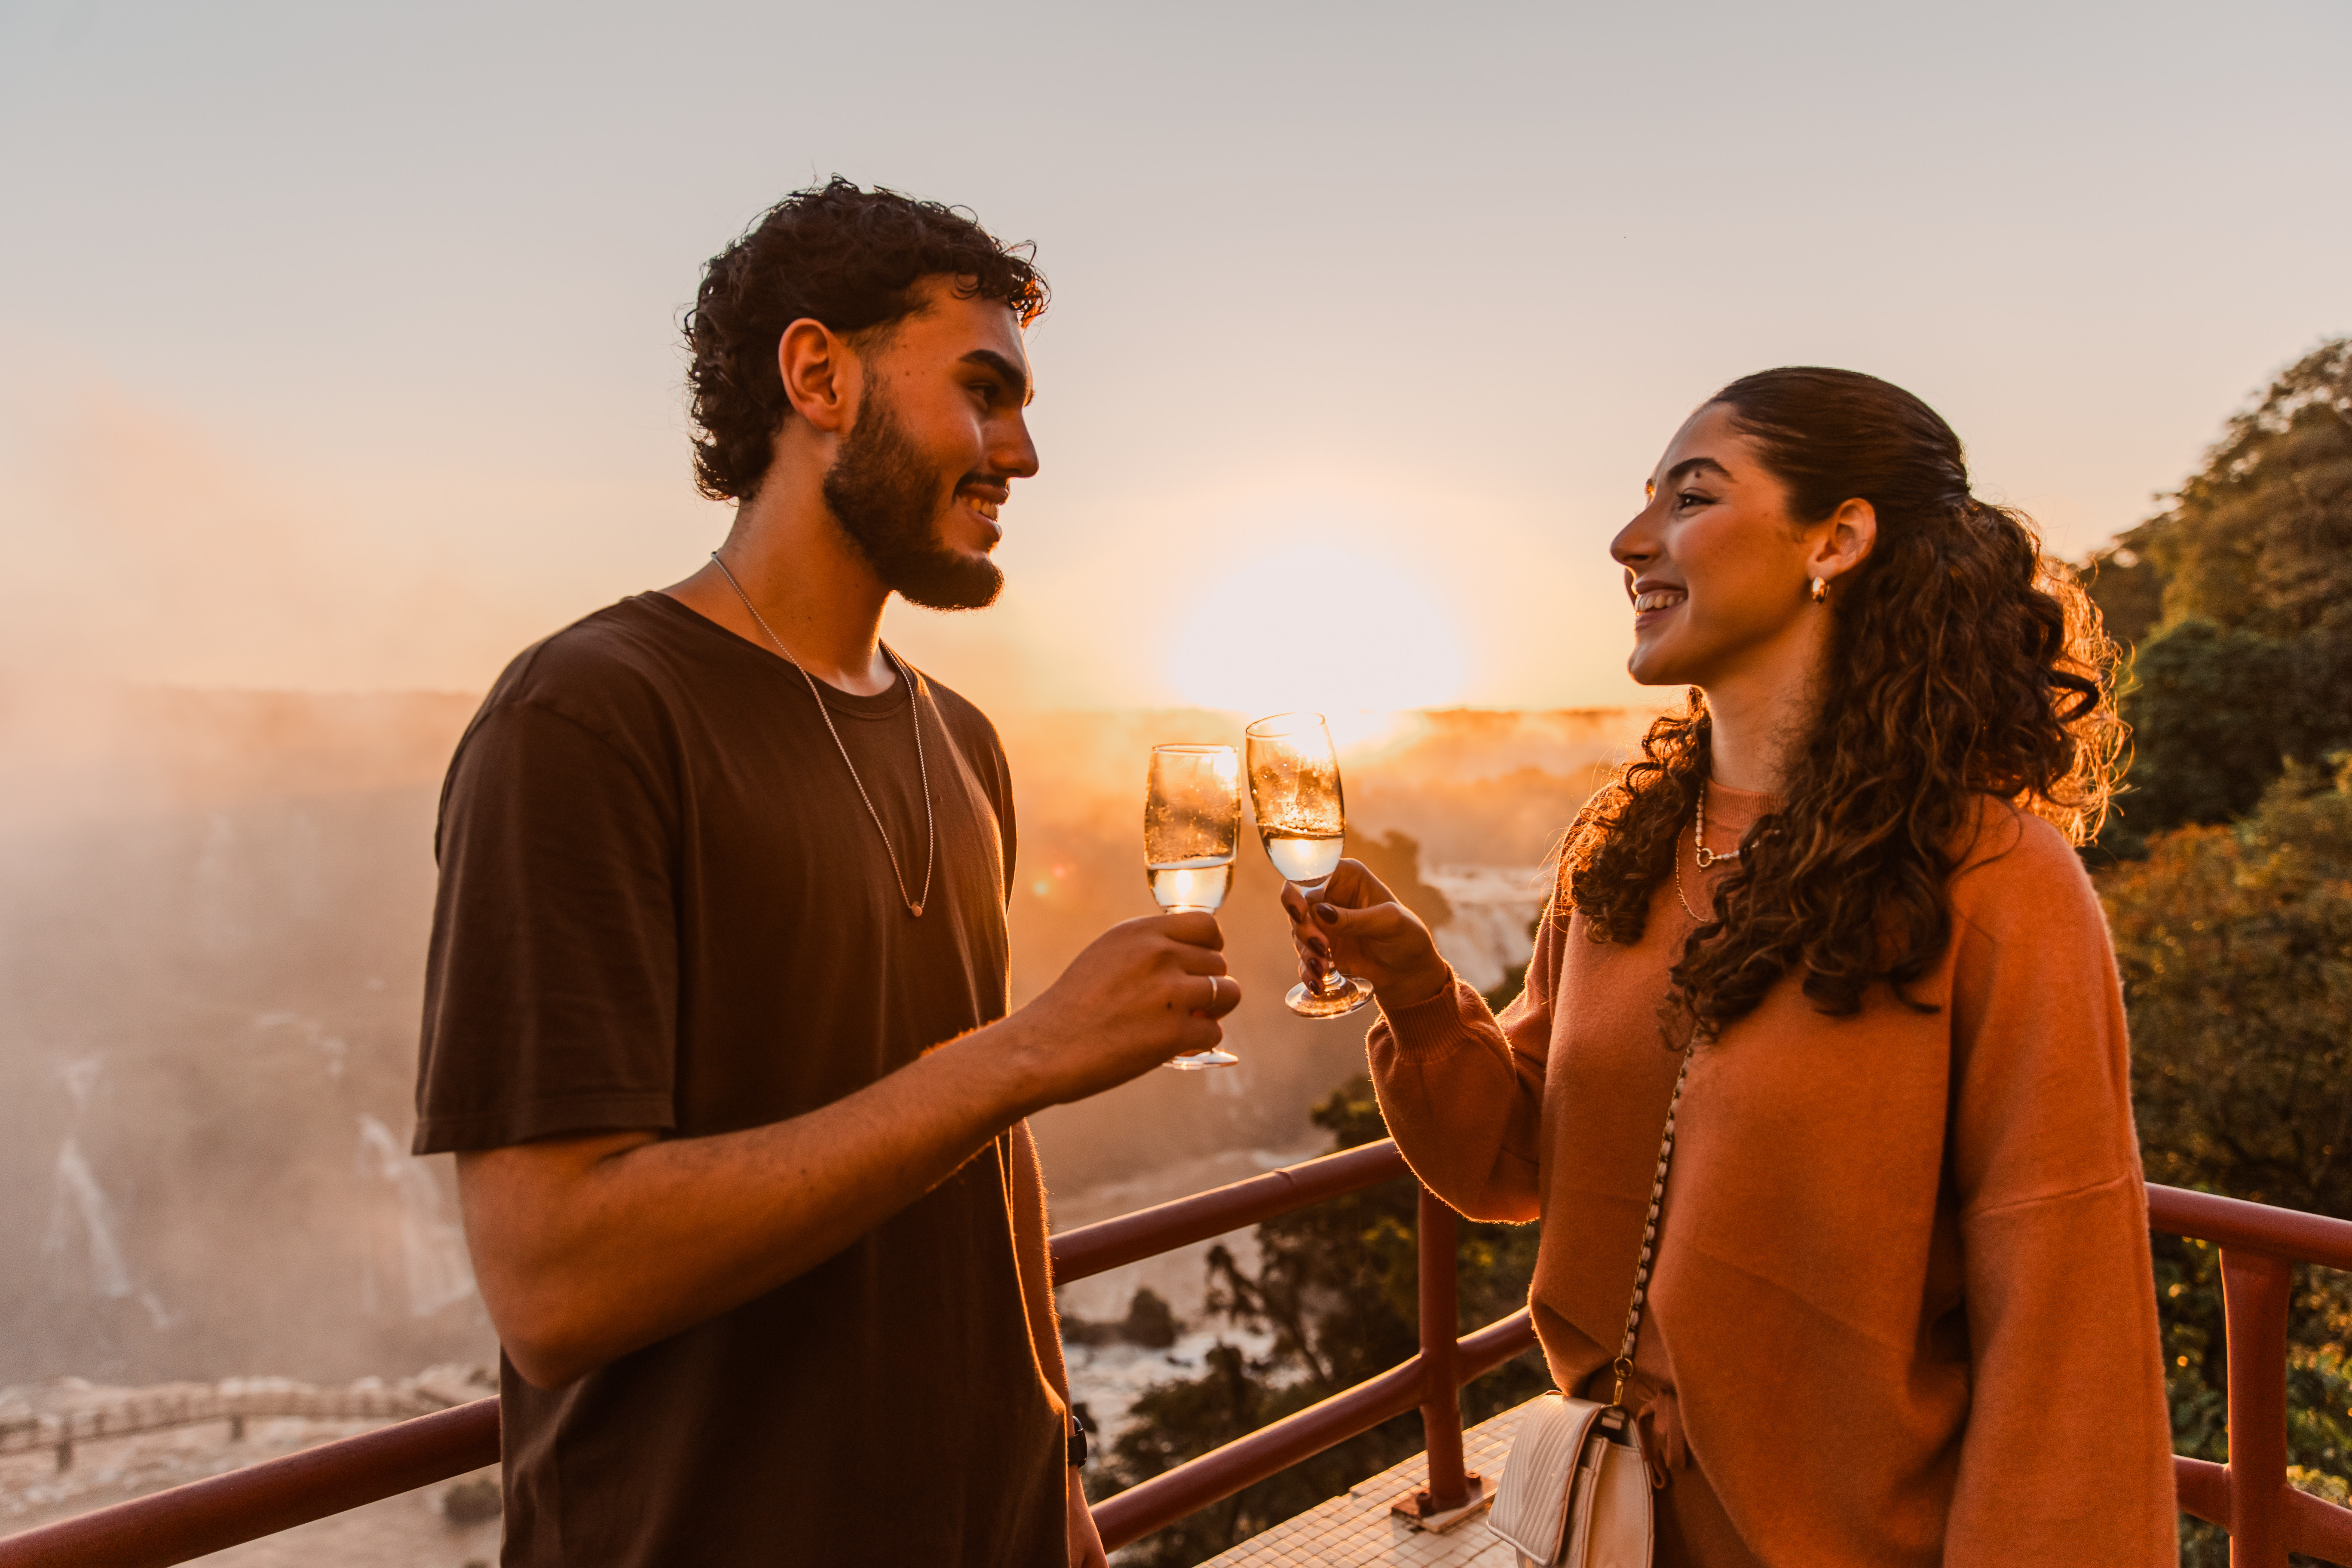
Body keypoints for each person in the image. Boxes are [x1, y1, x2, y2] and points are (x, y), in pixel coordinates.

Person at [412, 179, 1240, 1568]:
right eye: (985, 391)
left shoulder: (962, 742)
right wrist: (1025, 1055)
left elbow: (993, 1169)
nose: (1022, 453)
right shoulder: (586, 720)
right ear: (818, 376)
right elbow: (553, 1280)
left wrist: (1064, 1504)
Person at [1288, 368, 2176, 1564]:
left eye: (1690, 499)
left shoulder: (1996, 885)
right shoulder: (1626, 847)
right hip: (1608, 1534)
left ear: (1838, 538)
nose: (1629, 539)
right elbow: (1513, 1165)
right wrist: (1409, 985)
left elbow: (2066, 1338)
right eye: (1643, 498)